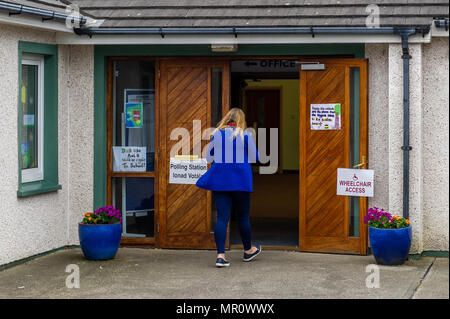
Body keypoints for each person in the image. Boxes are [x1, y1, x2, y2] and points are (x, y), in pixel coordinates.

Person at [196, 108, 262, 267]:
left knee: (221, 218)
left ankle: (221, 256)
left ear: (226, 119)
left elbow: (208, 157)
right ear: (241, 120)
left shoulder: (217, 135)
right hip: (241, 182)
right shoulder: (245, 135)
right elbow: (256, 157)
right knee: (243, 217)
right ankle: (248, 250)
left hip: (221, 182)